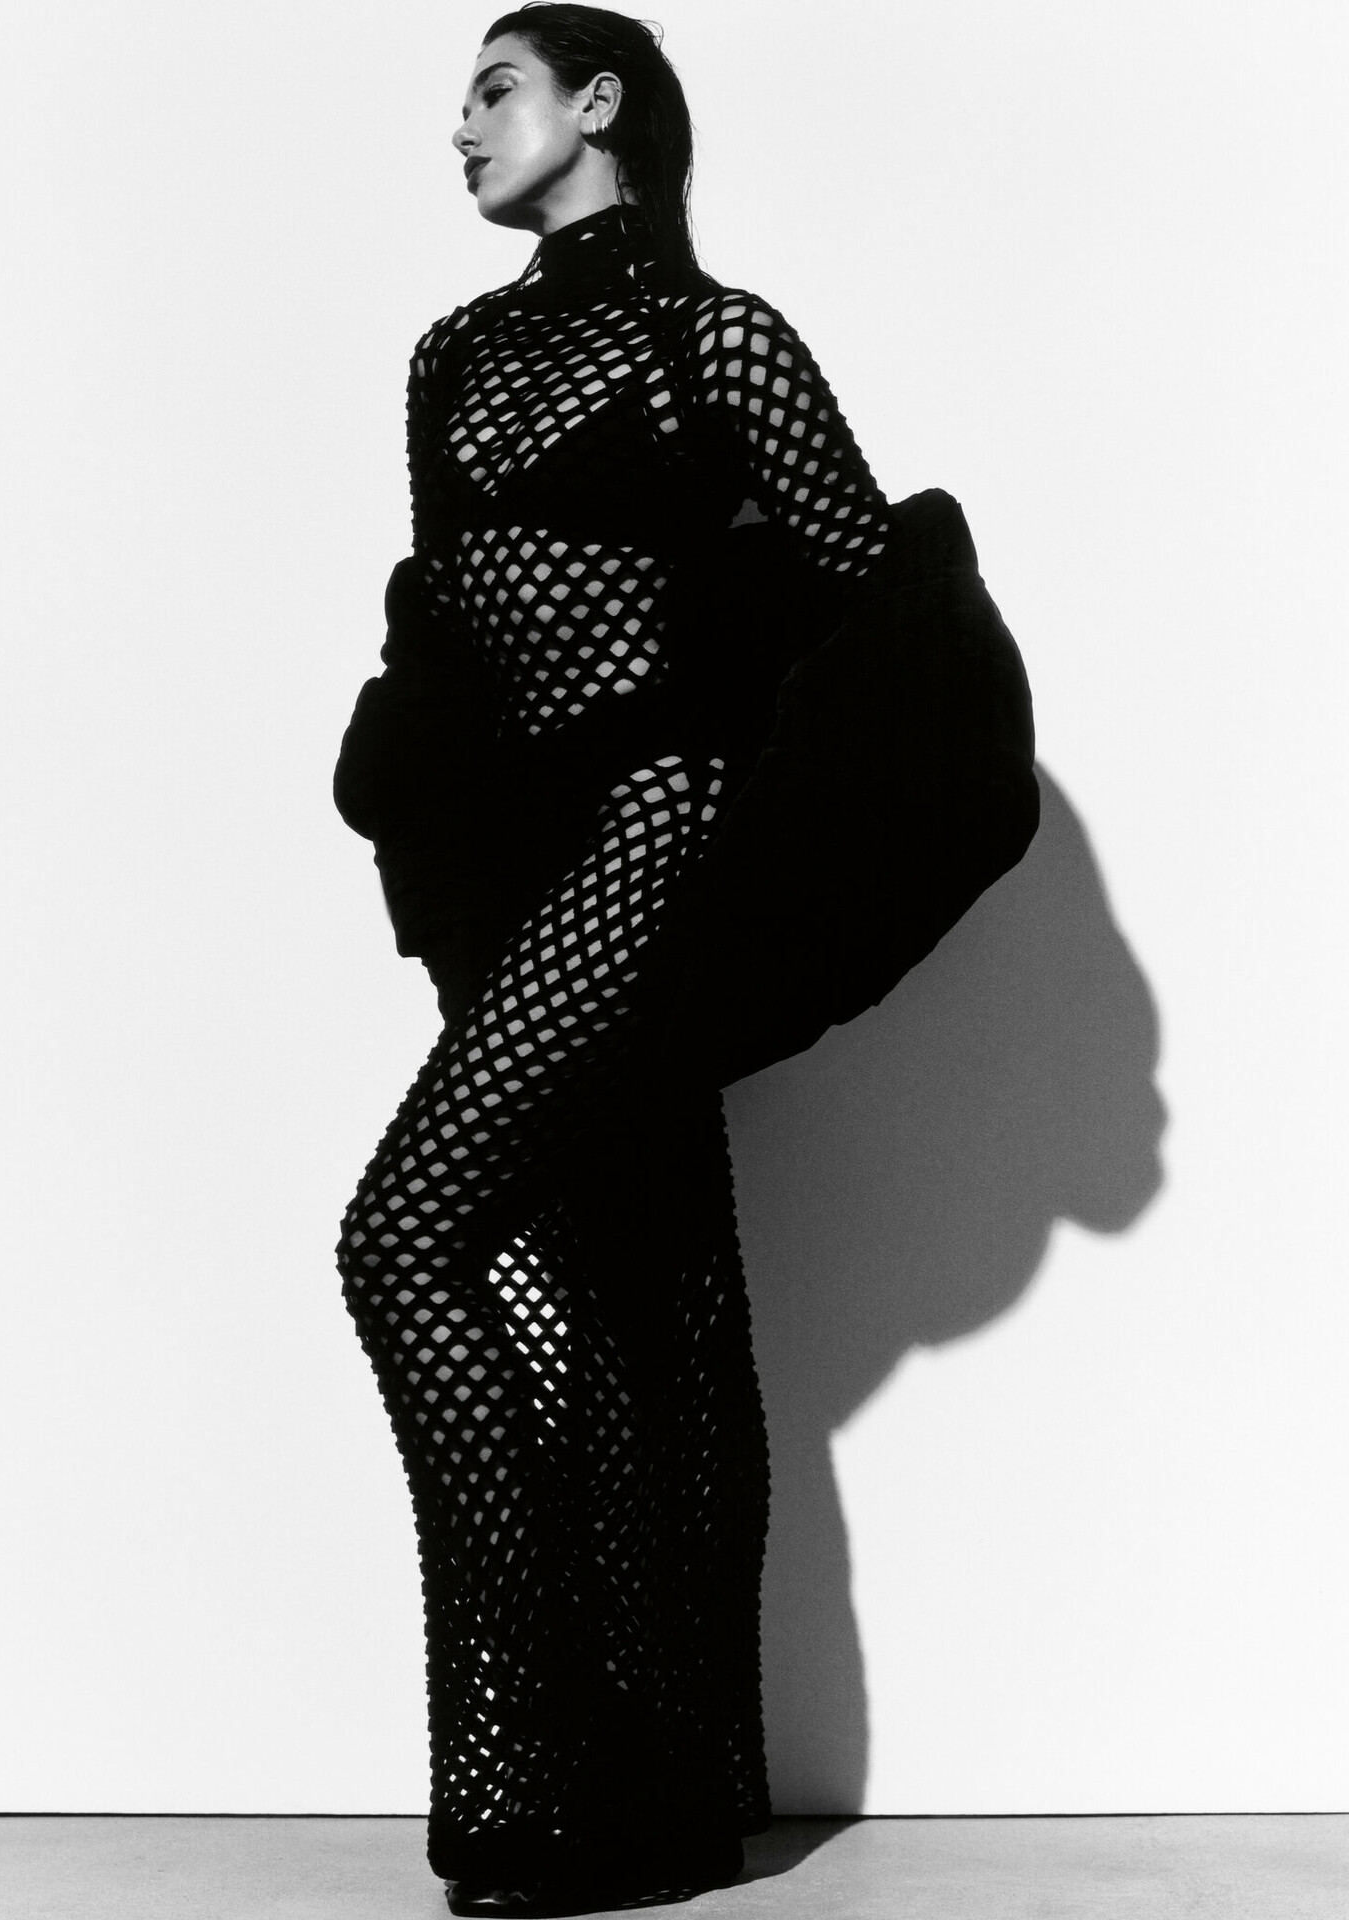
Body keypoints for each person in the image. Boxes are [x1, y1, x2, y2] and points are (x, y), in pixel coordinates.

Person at [333, 7, 1035, 1915]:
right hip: (511, 865)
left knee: (401, 1240)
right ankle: (659, 1774)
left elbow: (869, 601)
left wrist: (734, 792)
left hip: (653, 833)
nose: (459, 127)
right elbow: (448, 622)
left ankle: (546, 1757)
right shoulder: (450, 355)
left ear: (600, 103)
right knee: (636, 1291)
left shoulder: (715, 338)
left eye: (493, 89)